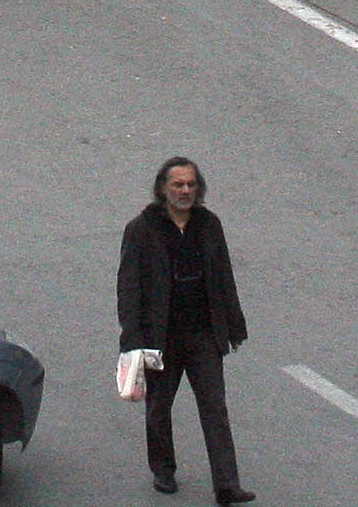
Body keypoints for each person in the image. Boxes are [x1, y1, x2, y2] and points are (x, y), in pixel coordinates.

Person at [115, 159, 252, 505]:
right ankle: (163, 469)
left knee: (215, 409)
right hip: (160, 338)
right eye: (178, 185)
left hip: (203, 336)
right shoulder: (142, 229)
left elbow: (223, 277)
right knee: (159, 407)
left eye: (191, 185)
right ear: (163, 188)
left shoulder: (209, 225)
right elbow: (128, 288)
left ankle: (227, 484)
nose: (186, 191)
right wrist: (132, 340)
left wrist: (233, 324)